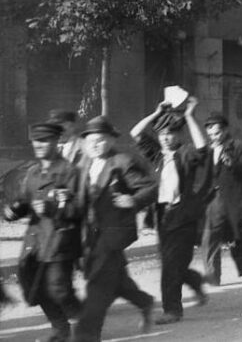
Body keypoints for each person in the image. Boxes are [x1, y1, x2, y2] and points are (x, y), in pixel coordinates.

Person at [72, 116, 158, 342]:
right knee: (116, 281)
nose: (95, 145)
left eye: (100, 140)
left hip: (113, 234)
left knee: (98, 286)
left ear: (110, 140)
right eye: (90, 141)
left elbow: (150, 188)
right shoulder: (83, 164)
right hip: (89, 236)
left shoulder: (122, 161)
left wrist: (133, 201)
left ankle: (86, 334)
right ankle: (144, 301)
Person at [130, 98, 210, 324]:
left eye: (170, 133)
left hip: (183, 215)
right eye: (162, 134)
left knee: (170, 265)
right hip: (162, 216)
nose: (165, 137)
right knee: (173, 262)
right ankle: (195, 283)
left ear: (179, 135)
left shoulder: (185, 153)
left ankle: (172, 310)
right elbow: (135, 132)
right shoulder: (157, 155)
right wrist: (155, 113)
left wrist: (189, 116)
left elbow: (203, 148)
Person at [4, 122, 82, 342]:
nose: (38, 145)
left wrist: (54, 208)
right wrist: (13, 211)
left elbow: (81, 208)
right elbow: (25, 202)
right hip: (35, 242)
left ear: (56, 142)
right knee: (34, 288)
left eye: (44, 140)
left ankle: (88, 322)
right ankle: (60, 329)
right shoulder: (33, 172)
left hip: (60, 241)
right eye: (36, 141)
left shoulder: (70, 172)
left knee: (59, 289)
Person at [200, 113, 242, 286]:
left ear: (225, 130)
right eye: (210, 134)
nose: (213, 137)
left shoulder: (239, 146)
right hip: (213, 200)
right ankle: (212, 276)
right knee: (209, 237)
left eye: (217, 133)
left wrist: (233, 164)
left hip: (235, 200)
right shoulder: (207, 150)